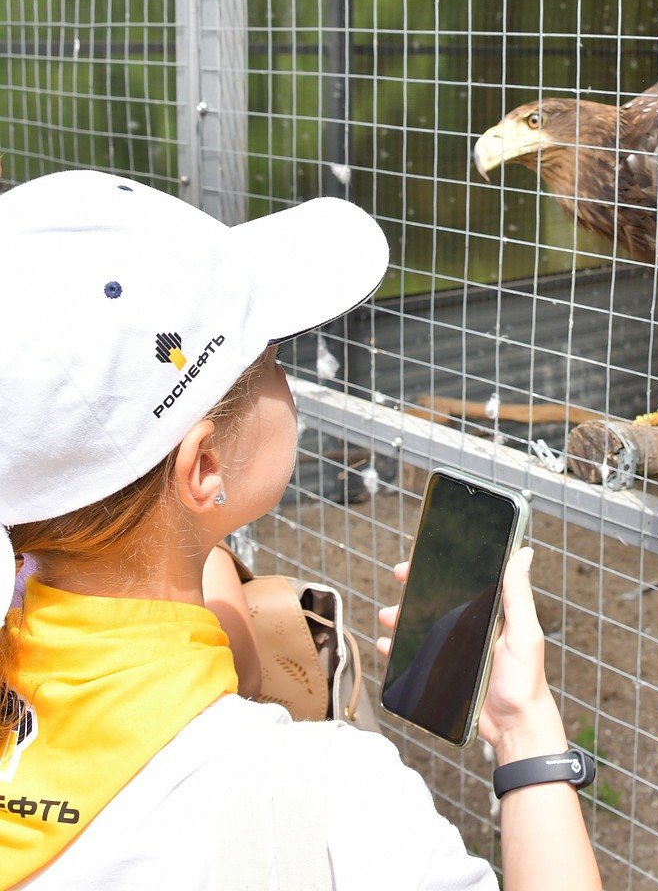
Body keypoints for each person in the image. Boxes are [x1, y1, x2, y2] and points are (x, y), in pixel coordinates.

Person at [0, 169, 603, 891]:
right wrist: (526, 728)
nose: (285, 378)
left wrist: (203, 576)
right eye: (272, 357)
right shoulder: (320, 807)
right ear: (204, 466)